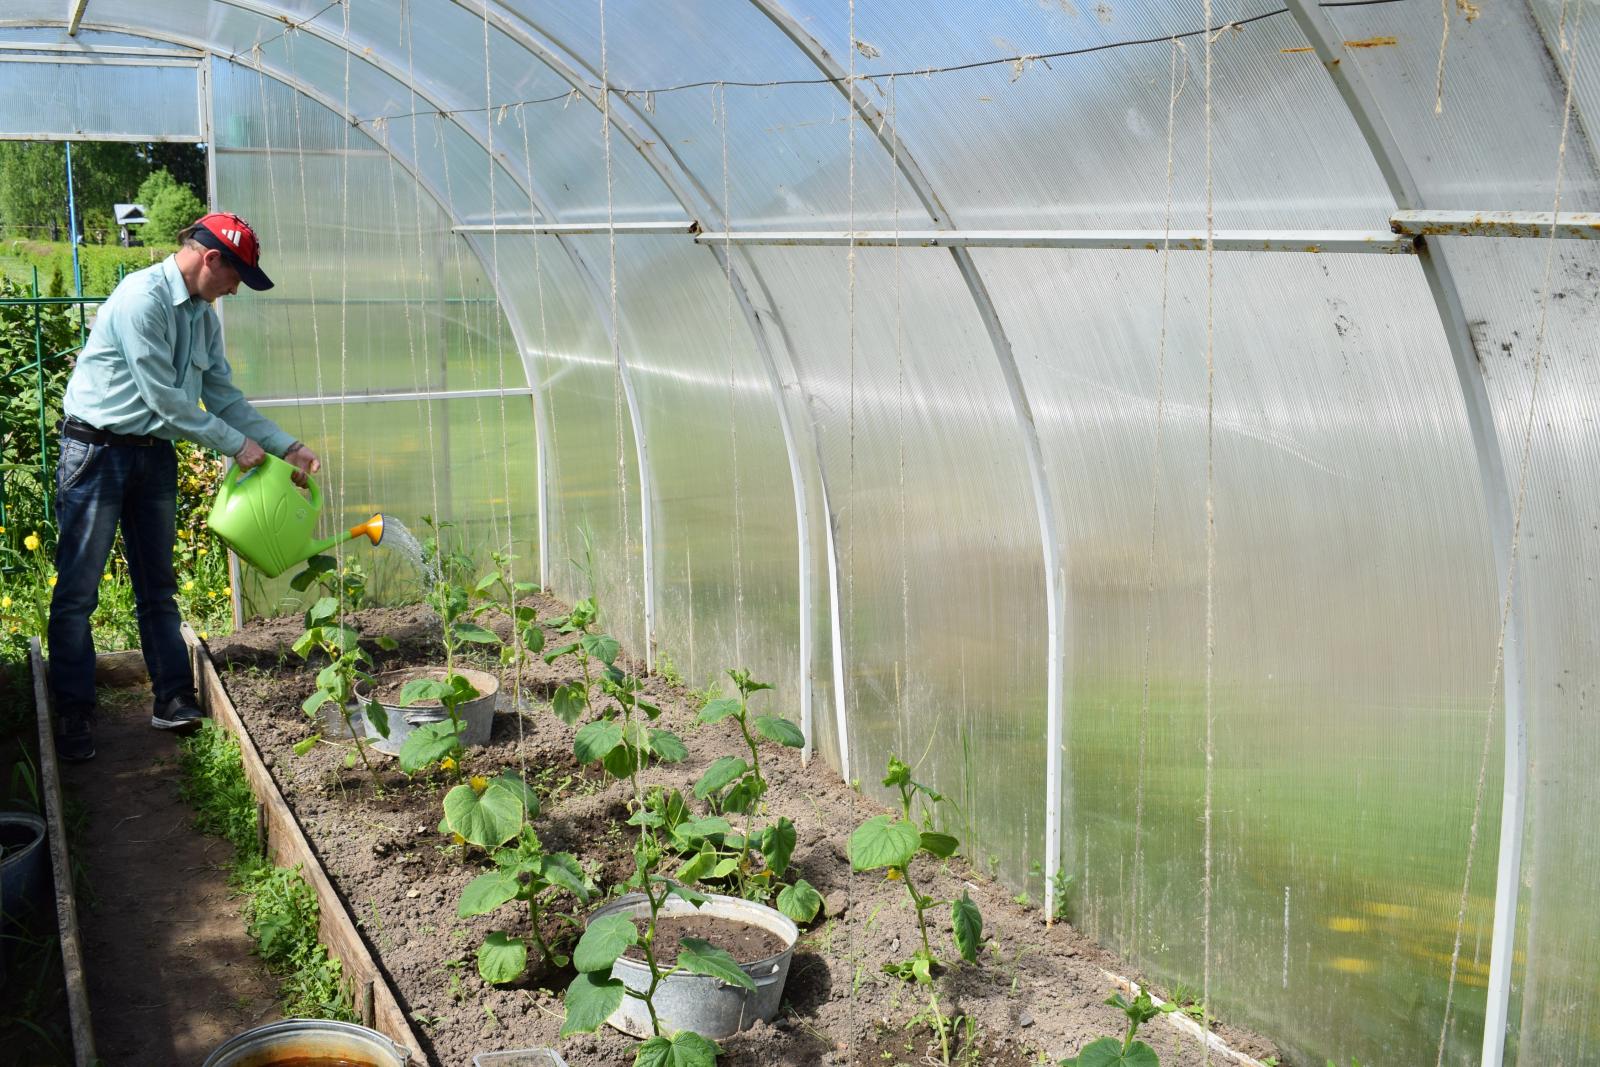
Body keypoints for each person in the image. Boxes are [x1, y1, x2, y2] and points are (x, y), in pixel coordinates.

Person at [47, 212, 320, 762]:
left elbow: (222, 396)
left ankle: (172, 697)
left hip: (152, 455)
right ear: (210, 258)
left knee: (158, 586)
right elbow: (164, 400)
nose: (236, 288)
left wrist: (282, 445)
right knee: (79, 590)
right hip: (95, 452)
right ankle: (73, 709)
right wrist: (235, 446)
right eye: (236, 275)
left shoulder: (202, 315)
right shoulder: (140, 300)